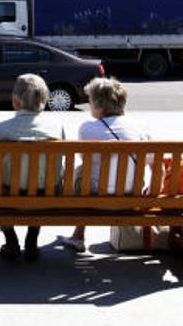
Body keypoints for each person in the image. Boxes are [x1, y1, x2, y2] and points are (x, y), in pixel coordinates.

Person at [58, 77, 150, 253]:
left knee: (81, 172)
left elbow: (84, 159)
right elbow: (155, 165)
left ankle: (78, 235)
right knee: (87, 172)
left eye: (91, 102)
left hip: (94, 196)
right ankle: (77, 235)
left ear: (99, 106)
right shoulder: (140, 127)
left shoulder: (87, 128)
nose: (89, 105)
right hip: (132, 196)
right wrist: (150, 195)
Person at [0, 74, 64, 261]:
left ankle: (11, 239)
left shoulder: (0, 130)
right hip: (45, 197)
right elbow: (59, 169)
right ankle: (32, 239)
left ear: (16, 101)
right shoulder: (56, 128)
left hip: (6, 197)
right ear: (44, 100)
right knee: (44, 182)